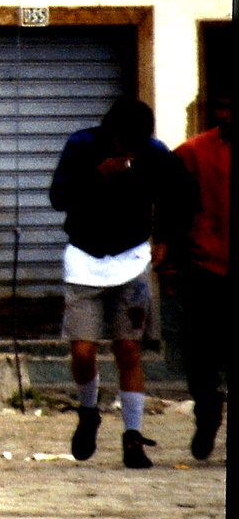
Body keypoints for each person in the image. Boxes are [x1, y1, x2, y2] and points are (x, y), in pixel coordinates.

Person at [49, 97, 178, 469]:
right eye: (124, 143)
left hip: (132, 258)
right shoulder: (81, 145)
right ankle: (88, 410)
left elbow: (177, 193)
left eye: (136, 144)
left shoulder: (154, 153)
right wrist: (97, 175)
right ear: (110, 134)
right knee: (83, 351)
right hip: (85, 258)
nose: (129, 151)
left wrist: (164, 237)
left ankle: (132, 436)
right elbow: (58, 197)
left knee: (128, 349)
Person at [162, 93, 230, 460]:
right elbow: (171, 215)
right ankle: (207, 417)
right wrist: (170, 265)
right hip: (203, 268)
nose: (228, 114)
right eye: (223, 106)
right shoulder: (190, 154)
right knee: (200, 356)